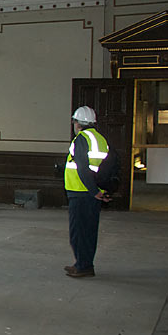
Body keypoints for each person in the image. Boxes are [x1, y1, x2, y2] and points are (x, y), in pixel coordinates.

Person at [63, 106, 111, 278]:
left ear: (77, 123)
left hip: (81, 192)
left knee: (79, 231)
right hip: (93, 192)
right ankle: (85, 263)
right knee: (90, 231)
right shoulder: (100, 139)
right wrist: (99, 191)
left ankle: (82, 266)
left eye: (74, 121)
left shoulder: (81, 139)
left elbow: (82, 168)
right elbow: (103, 167)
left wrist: (93, 191)